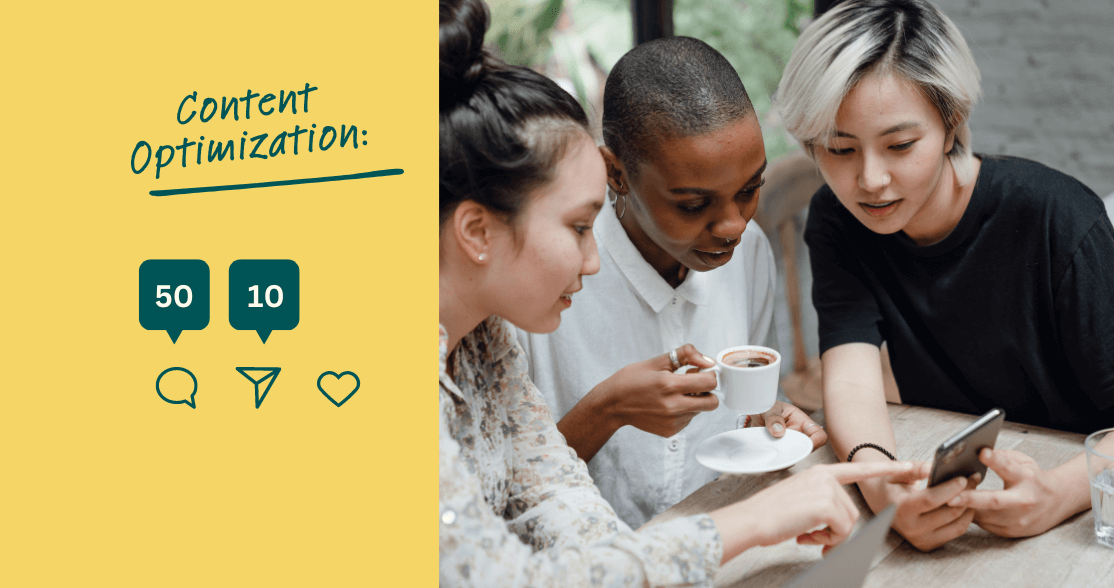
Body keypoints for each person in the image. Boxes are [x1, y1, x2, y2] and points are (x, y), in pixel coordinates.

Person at [438, 0, 923, 585]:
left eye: (750, 191)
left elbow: (553, 504)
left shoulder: (484, 345)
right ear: (475, 231)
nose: (593, 262)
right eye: (578, 227)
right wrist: (753, 521)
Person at [772, 0, 1114, 551]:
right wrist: (884, 491)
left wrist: (1057, 493)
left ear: (952, 122)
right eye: (839, 150)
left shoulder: (1058, 220)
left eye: (900, 145)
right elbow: (852, 381)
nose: (871, 180)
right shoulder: (839, 221)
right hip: (957, 490)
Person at [517, 36, 827, 529]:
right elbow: (500, 497)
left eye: (749, 191)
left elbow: (749, 416)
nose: (733, 226)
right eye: (692, 205)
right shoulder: (541, 283)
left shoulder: (750, 256)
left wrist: (768, 419)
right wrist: (606, 410)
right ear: (614, 172)